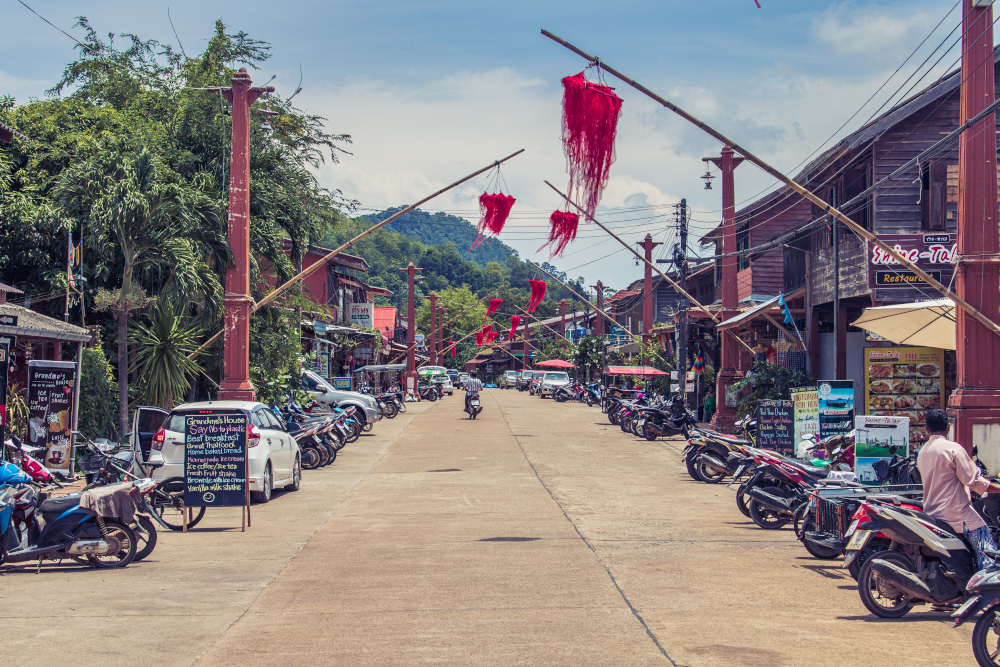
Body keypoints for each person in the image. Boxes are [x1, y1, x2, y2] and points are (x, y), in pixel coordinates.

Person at [917, 408, 1000, 570]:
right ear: (948, 427)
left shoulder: (923, 452)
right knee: (989, 553)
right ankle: (987, 591)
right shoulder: (953, 449)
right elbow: (974, 482)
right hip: (958, 516)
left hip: (933, 515)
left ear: (927, 429)